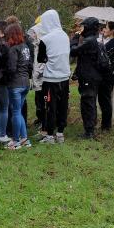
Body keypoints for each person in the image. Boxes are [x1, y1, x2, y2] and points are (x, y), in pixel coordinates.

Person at [37, 9, 71, 144]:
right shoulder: (65, 36)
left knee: (50, 106)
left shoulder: (45, 39)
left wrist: (47, 59)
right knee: (63, 105)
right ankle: (60, 133)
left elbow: (40, 58)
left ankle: (50, 135)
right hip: (64, 76)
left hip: (50, 78)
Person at [70, 17, 103, 139]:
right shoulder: (92, 40)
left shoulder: (89, 41)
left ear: (88, 27)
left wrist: (75, 38)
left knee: (88, 102)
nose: (81, 29)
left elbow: (73, 51)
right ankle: (90, 128)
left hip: (89, 77)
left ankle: (89, 131)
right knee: (89, 102)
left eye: (83, 27)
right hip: (90, 76)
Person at [3, 22, 32, 149]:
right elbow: (30, 65)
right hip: (26, 83)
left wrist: (5, 74)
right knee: (18, 112)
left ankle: (15, 141)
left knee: (15, 112)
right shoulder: (25, 46)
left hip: (15, 84)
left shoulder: (13, 49)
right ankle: (24, 139)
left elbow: (12, 68)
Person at [98, 21, 114, 131]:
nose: (105, 30)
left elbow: (104, 59)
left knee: (104, 100)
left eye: (107, 28)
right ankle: (106, 124)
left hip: (107, 75)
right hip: (113, 75)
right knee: (106, 99)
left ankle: (106, 125)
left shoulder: (112, 44)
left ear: (112, 31)